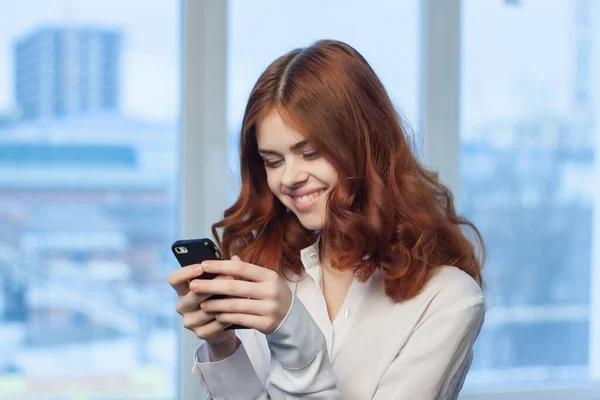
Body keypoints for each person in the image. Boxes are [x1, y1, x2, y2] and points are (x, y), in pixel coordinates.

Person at [168, 39, 486, 400]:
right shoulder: (271, 273)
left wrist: (294, 336)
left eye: (310, 152)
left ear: (364, 145)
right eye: (273, 161)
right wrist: (223, 346)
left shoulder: (448, 299)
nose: (289, 177)